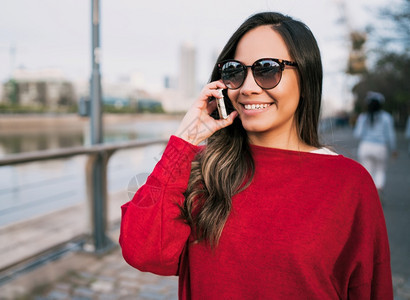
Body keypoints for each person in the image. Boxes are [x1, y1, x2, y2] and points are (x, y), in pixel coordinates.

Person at [120, 12, 393, 299]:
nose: (248, 88)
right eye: (235, 71)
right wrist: (186, 138)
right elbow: (142, 252)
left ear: (306, 78)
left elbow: (371, 289)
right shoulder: (204, 169)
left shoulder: (349, 183)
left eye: (267, 69)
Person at [354, 91, 397, 194]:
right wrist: (394, 148)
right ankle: (378, 188)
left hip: (365, 146)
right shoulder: (386, 117)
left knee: (368, 171)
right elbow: (390, 135)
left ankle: (369, 193)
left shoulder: (363, 117)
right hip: (381, 147)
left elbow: (357, 134)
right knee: (380, 170)